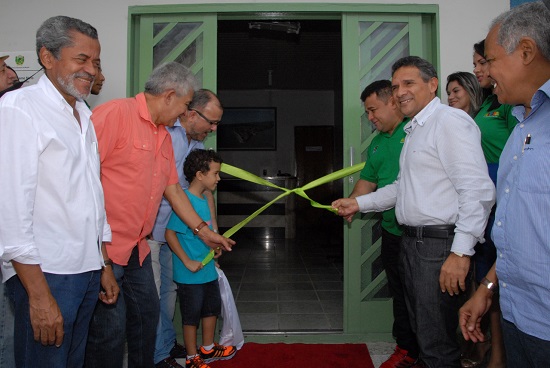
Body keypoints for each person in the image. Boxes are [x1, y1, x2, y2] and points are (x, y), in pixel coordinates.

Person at [332, 56, 495, 368]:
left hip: (437, 247)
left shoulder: (449, 122)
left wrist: (460, 253)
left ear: (432, 85)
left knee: (438, 342)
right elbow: (401, 188)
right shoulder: (416, 129)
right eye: (396, 86)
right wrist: (358, 203)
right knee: (424, 332)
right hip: (413, 244)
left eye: (409, 83)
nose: (400, 92)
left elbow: (478, 191)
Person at [84, 62, 235, 368]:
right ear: (169, 96)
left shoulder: (163, 135)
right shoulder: (113, 115)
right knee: (110, 332)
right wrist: (100, 256)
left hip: (138, 248)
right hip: (107, 250)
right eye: (183, 105)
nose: (183, 113)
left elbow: (174, 191)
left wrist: (205, 232)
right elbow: (82, 182)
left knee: (146, 318)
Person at [0, 16, 119, 368]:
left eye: (95, 62)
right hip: (45, 273)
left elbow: (91, 195)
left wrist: (104, 263)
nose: (91, 70)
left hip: (85, 268)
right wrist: (38, 296)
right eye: (80, 59)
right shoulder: (19, 110)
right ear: (47, 57)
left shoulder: (83, 113)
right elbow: (10, 209)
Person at [459, 2, 550, 367]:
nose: (484, 71)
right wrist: (487, 288)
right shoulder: (520, 127)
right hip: (516, 315)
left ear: (526, 51)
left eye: (491, 60)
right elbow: (519, 232)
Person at [347, 80, 419, 368]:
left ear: (393, 102)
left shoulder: (415, 133)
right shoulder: (377, 144)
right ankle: (405, 348)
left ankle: (422, 351)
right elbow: (367, 182)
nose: (370, 118)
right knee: (399, 294)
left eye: (373, 110)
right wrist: (350, 204)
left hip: (419, 235)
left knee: (420, 298)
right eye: (367, 113)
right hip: (391, 231)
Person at [150, 88, 223, 368]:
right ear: (192, 114)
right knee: (157, 296)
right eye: (211, 122)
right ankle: (158, 355)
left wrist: (212, 231)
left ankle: (166, 344)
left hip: (182, 232)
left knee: (170, 293)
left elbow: (204, 194)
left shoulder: (199, 147)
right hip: (155, 230)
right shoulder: (167, 136)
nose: (214, 128)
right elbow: (168, 189)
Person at [459, 39, 517, 368]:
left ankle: (499, 355)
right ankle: (489, 349)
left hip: (504, 196)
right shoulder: (484, 107)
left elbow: (515, 155)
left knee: (500, 281)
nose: (479, 69)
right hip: (486, 204)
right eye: (477, 64)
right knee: (486, 280)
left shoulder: (509, 104)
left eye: (483, 62)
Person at [166, 149, 236, 368]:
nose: (218, 178)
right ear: (199, 175)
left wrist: (214, 248)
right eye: (215, 174)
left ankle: (207, 348)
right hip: (190, 273)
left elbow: (206, 232)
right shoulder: (184, 200)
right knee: (191, 316)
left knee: (211, 308)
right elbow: (170, 234)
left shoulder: (206, 199)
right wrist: (187, 261)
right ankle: (191, 357)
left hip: (208, 269)